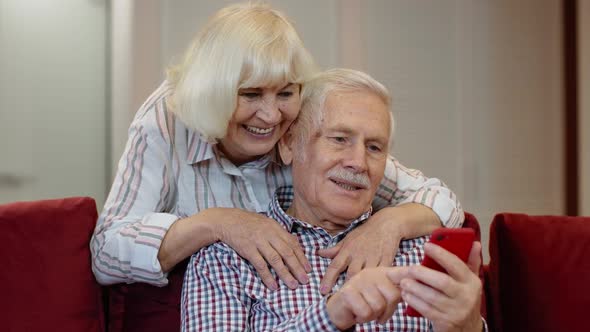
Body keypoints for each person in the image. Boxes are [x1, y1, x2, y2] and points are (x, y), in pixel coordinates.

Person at [91, 2, 464, 295]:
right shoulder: (166, 120)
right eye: (250, 94)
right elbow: (106, 253)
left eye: (285, 92)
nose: (271, 116)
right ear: (213, 94)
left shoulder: (302, 123)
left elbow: (438, 199)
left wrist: (390, 222)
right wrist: (218, 222)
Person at [181, 68, 485, 331]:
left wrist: (466, 327)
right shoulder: (227, 258)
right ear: (289, 144)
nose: (358, 162)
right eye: (339, 139)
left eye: (375, 147)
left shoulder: (422, 253)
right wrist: (331, 315)